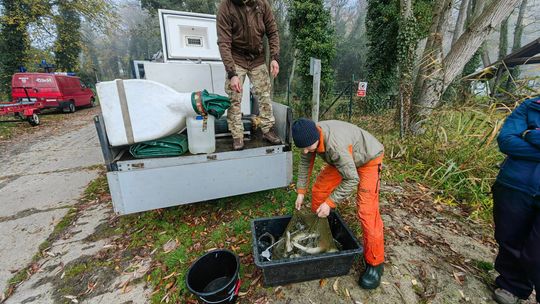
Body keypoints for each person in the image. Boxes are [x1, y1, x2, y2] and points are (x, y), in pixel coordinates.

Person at [292, 118, 385, 289]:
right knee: (320, 191)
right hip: (345, 159)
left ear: (316, 138)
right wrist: (300, 192)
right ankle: (321, 232)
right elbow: (305, 164)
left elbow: (351, 179)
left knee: (367, 211)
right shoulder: (308, 137)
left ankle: (375, 263)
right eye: (302, 148)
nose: (305, 151)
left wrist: (330, 203)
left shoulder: (335, 146)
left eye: (308, 147)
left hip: (368, 159)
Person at [492, 96, 540, 304]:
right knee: (509, 237)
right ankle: (511, 286)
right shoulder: (531, 106)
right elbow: (507, 141)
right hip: (515, 184)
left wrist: (531, 136)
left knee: (537, 250)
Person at [216, 0, 282, 150]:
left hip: (257, 58)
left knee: (264, 95)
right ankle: (237, 135)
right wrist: (231, 73)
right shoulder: (226, 7)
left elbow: (272, 32)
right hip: (236, 58)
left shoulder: (262, 4)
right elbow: (224, 42)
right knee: (234, 98)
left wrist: (274, 58)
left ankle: (267, 130)